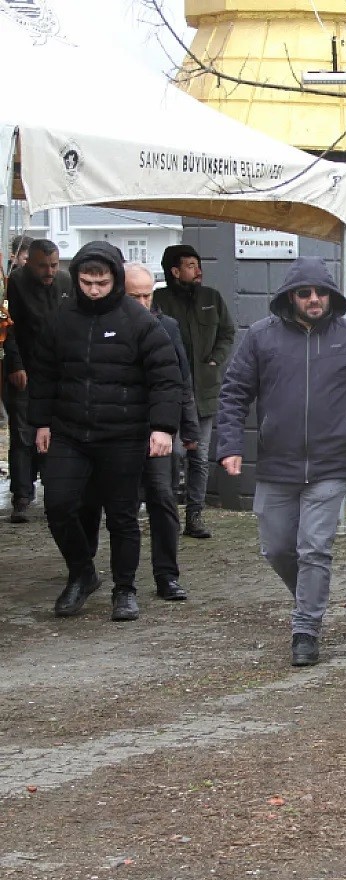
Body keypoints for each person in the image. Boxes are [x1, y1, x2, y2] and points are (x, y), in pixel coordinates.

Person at [215, 257, 346, 667]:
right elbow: (234, 392)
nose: (314, 300)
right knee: (277, 548)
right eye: (304, 293)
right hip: (278, 461)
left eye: (321, 293)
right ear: (289, 297)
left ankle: (306, 628)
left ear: (332, 296)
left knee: (314, 548)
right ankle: (311, 597)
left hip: (331, 462)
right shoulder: (261, 337)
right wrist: (229, 445)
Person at [29, 241, 184, 621]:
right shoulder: (61, 319)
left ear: (114, 278)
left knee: (122, 516)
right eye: (86, 282)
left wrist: (163, 428)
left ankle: (125, 589)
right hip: (69, 431)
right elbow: (44, 373)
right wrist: (42, 422)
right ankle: (82, 573)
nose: (94, 290)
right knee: (59, 504)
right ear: (77, 279)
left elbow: (166, 377)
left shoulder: (139, 320)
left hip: (124, 434)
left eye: (101, 282)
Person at [125, 263, 201, 602]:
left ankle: (167, 576)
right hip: (119, 431)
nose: (142, 303)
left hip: (161, 429)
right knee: (120, 506)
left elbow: (182, 380)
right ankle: (118, 581)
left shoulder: (167, 326)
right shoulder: (106, 327)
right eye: (134, 296)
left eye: (147, 295)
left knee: (163, 499)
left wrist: (189, 429)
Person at [153, 245, 236, 540]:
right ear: (175, 271)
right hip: (170, 393)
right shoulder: (158, 301)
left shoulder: (211, 298)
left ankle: (195, 516)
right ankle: (168, 515)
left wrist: (216, 358)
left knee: (199, 457)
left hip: (204, 393)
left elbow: (228, 332)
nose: (198, 270)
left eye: (198, 264)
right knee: (172, 454)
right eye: (190, 265)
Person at [3, 239, 72, 524]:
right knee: (22, 433)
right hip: (26, 367)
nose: (49, 271)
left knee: (56, 433)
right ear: (29, 262)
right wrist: (16, 364)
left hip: (57, 372)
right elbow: (9, 327)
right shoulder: (15, 283)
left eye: (54, 265)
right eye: (43, 265)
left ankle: (54, 493)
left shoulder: (66, 281)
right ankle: (22, 495)